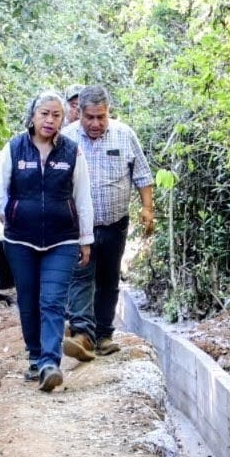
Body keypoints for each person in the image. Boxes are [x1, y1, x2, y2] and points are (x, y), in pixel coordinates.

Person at [0, 91, 93, 392]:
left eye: (56, 115)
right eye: (44, 114)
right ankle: (36, 357)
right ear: (33, 116)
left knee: (52, 301)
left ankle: (50, 363)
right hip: (20, 239)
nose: (50, 120)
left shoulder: (72, 152)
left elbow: (83, 197)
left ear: (64, 120)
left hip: (62, 239)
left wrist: (86, 239)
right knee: (28, 302)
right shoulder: (15, 148)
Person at [61, 85, 154, 359]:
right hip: (78, 228)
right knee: (81, 277)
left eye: (101, 117)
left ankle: (102, 336)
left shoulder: (125, 135)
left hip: (115, 224)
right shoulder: (65, 140)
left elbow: (142, 176)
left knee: (108, 279)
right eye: (89, 117)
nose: (95, 123)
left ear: (108, 113)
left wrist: (148, 209)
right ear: (79, 114)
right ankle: (82, 335)